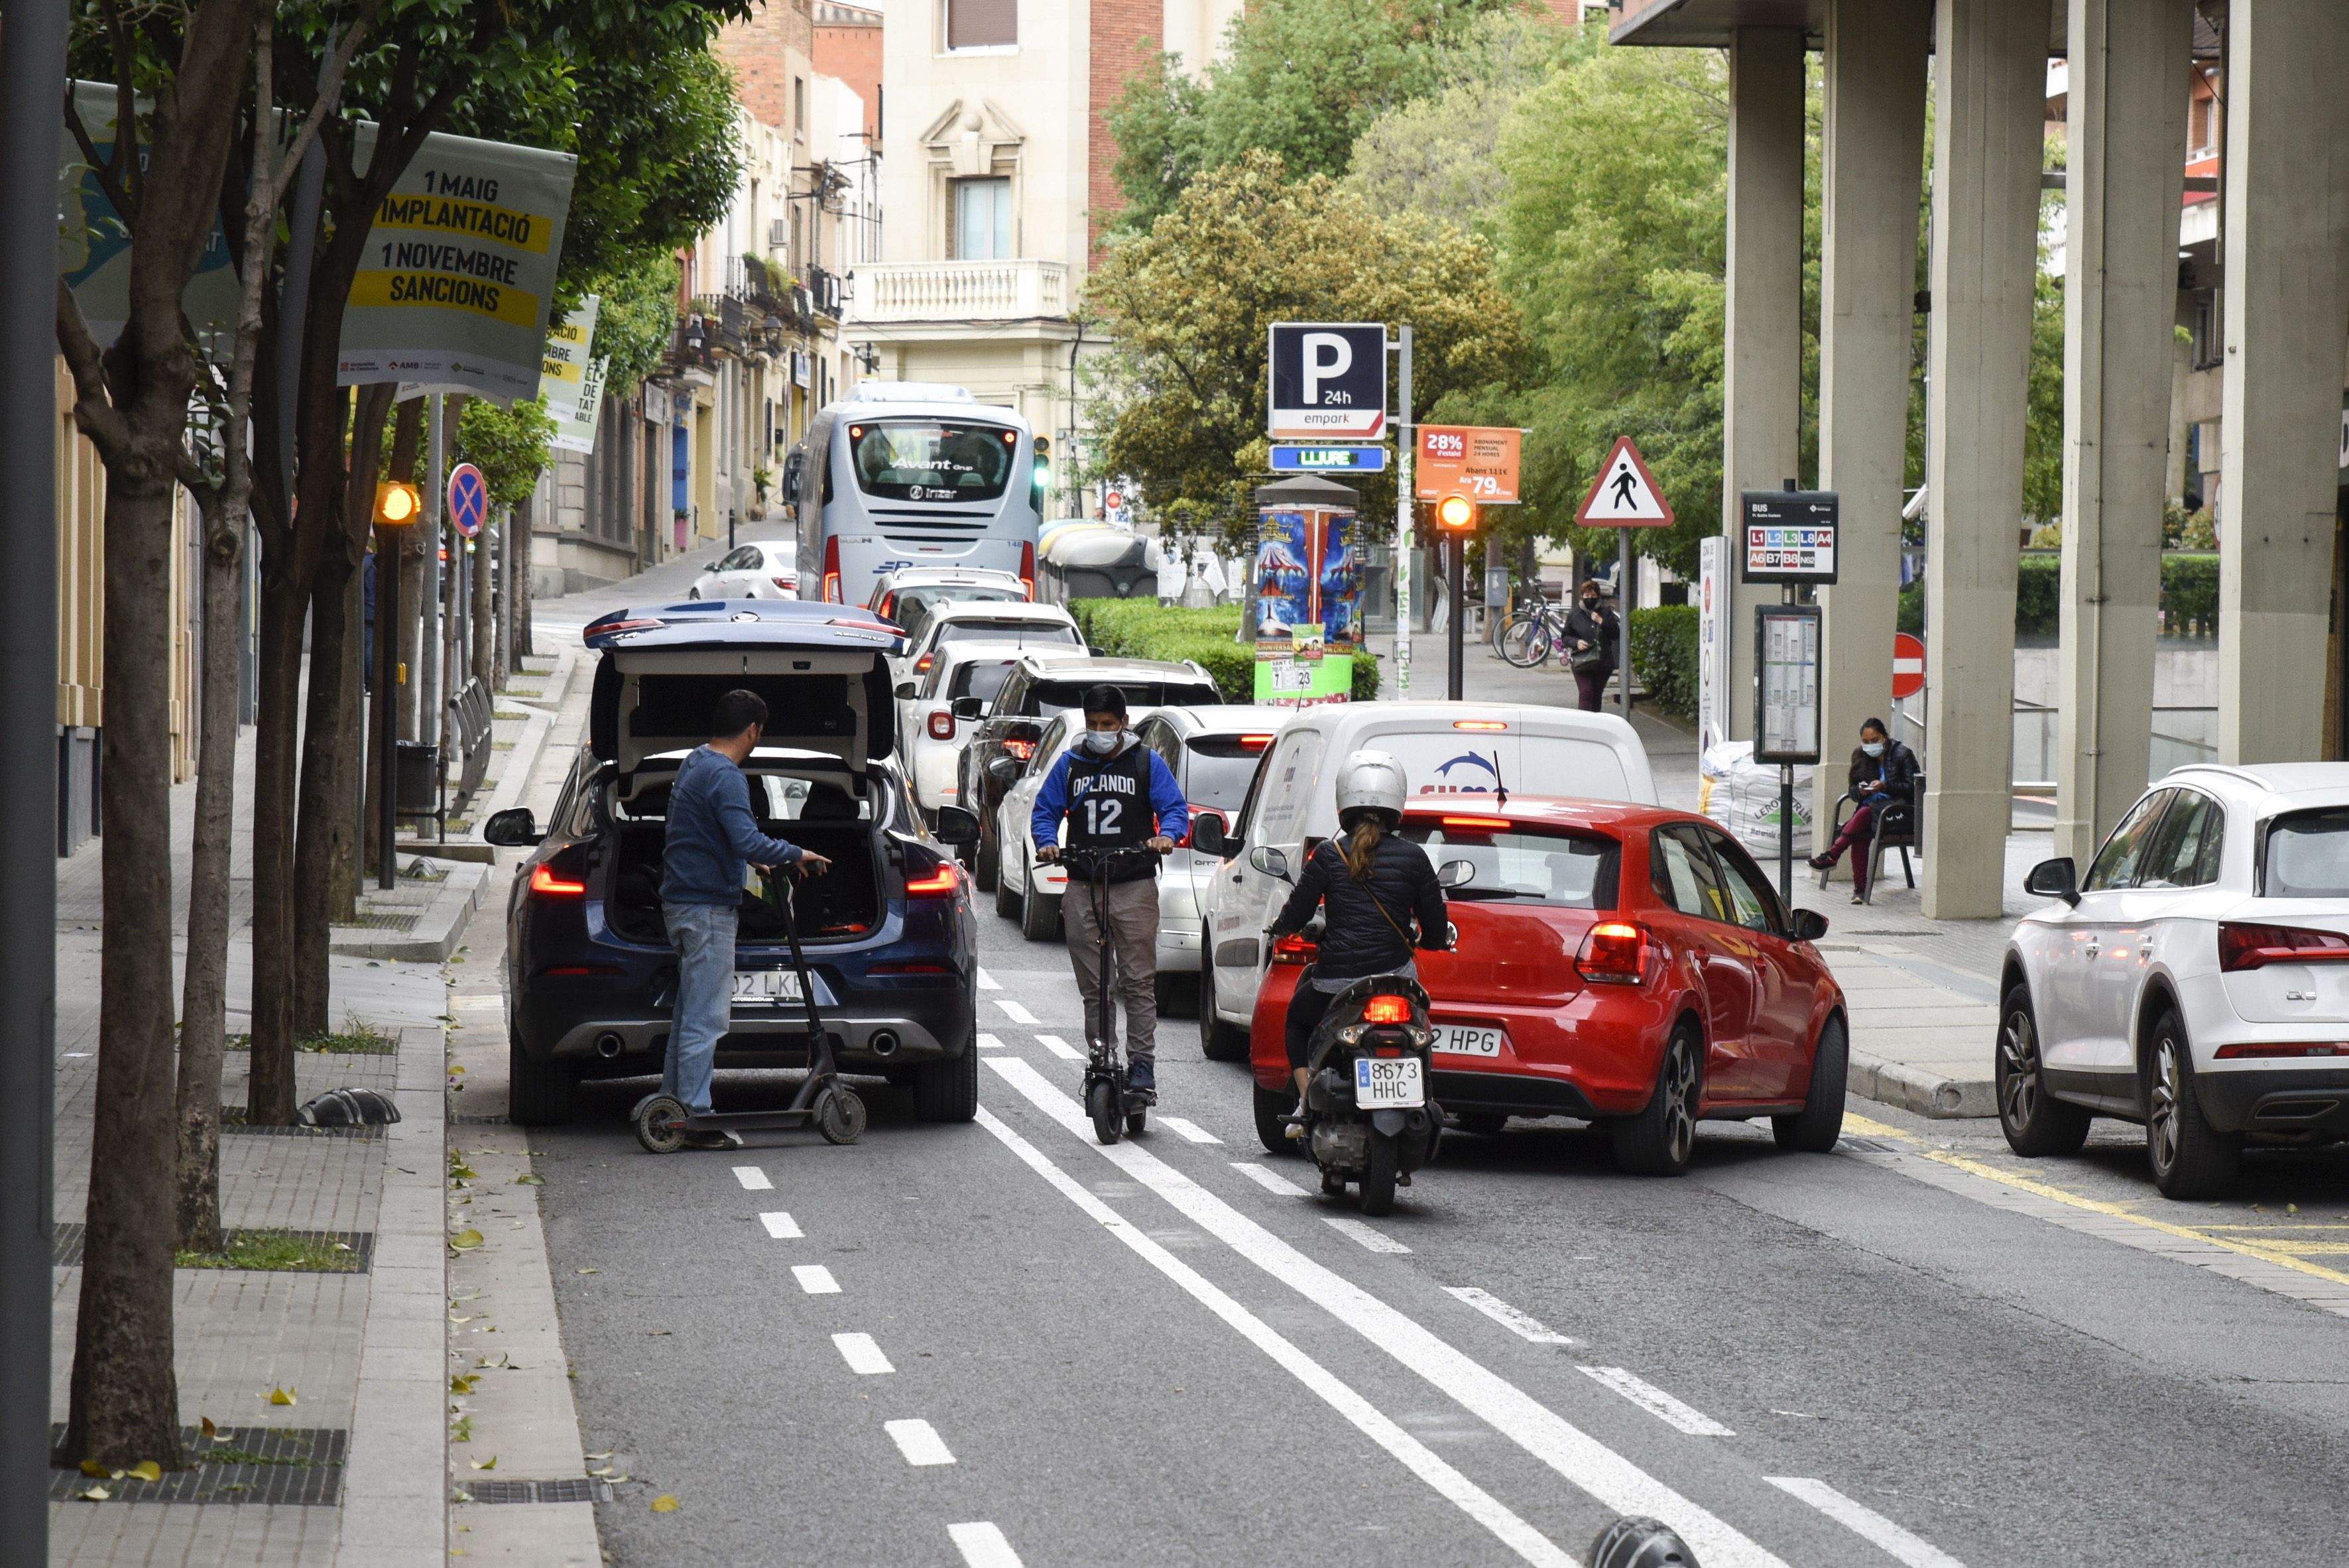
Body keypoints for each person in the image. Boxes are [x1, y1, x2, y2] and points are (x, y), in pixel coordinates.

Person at [659, 689, 833, 1148]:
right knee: (706, 1021)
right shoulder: (726, 775)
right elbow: (746, 838)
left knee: (687, 1017)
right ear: (753, 730)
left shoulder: (696, 762)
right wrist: (796, 852)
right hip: (707, 910)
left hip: (681, 903)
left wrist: (755, 862)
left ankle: (670, 1106)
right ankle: (695, 1117)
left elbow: (706, 833)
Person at [1265, 751, 1451, 1122]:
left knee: (1298, 1022)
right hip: (1396, 982)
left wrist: (1281, 928)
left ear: (1345, 800)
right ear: (1396, 802)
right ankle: (1423, 1092)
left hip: (1336, 982)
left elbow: (1297, 912)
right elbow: (1435, 926)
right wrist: (1430, 940)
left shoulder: (1328, 854)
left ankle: (1306, 1102)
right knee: (1420, 1031)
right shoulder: (1415, 857)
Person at [1031, 686, 1189, 1099]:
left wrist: (1168, 836)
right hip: (1083, 885)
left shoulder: (1146, 762)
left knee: (1137, 981)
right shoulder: (1070, 764)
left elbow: (1174, 809)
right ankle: (1102, 1053)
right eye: (1093, 724)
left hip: (1134, 885)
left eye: (1108, 724)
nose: (1100, 732)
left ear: (1123, 723)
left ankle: (1142, 1065)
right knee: (1094, 987)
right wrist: (1046, 841)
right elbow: (1045, 811)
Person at [1808, 716, 1919, 904]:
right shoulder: (1860, 756)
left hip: (1897, 813)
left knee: (1864, 815)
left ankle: (1833, 855)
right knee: (1859, 830)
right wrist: (1860, 791)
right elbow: (1853, 792)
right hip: (1870, 813)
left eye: (1874, 740)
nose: (1870, 746)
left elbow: (1913, 789)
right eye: (1866, 742)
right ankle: (1859, 891)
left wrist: (1885, 786)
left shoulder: (1903, 754)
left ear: (1884, 737)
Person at [1563, 578, 1620, 712]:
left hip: (1602, 662)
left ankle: (1595, 719)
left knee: (1596, 694)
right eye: (1587, 595)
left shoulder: (1606, 613)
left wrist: (1602, 622)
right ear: (1582, 596)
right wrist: (1576, 643)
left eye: (1593, 595)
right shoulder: (1574, 614)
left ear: (1598, 596)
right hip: (1582, 661)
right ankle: (1584, 720)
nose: (1590, 598)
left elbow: (1615, 634)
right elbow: (1565, 636)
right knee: (1586, 693)